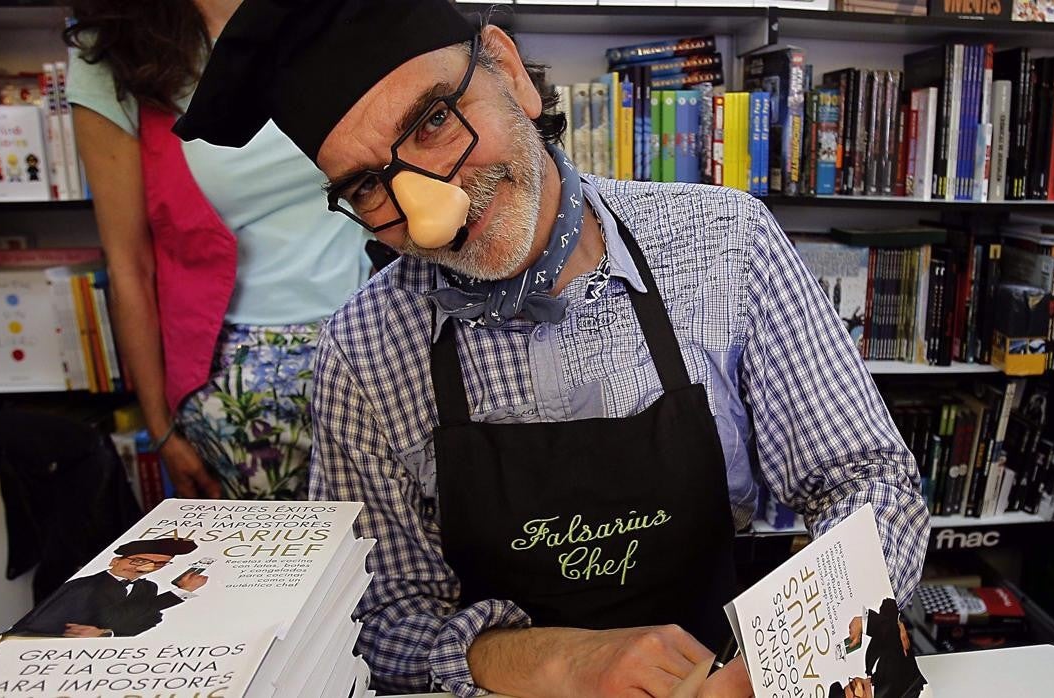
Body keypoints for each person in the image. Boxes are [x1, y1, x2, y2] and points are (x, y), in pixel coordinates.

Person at [173, 1, 931, 696]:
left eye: (435, 120)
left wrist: (777, 664)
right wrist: (552, 659)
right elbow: (380, 615)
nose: (433, 209)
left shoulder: (728, 244)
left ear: (507, 71)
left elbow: (867, 483)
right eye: (371, 185)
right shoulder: (363, 349)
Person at [62, 0, 368, 500]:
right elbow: (129, 266)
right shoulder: (116, 48)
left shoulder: (329, 18)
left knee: (398, 564)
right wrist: (160, 431)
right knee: (278, 572)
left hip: (379, 344)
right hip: (244, 380)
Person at [8, 539, 206, 638]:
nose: (146, 568)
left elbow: (150, 620)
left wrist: (105, 632)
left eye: (158, 565)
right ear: (115, 561)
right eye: (139, 560)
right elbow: (114, 617)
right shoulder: (83, 587)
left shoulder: (147, 587)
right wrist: (180, 592)